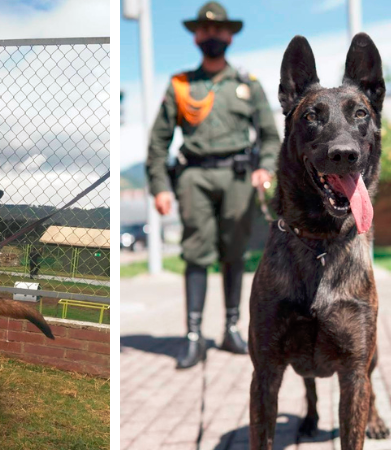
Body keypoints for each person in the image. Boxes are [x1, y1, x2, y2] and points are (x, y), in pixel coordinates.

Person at [146, 1, 280, 369]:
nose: (212, 36)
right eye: (205, 31)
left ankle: (232, 329)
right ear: (195, 36)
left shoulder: (247, 85)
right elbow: (159, 142)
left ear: (230, 35)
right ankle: (193, 336)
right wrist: (159, 186)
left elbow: (270, 136)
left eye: (218, 30)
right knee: (196, 251)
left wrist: (265, 168)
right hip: (194, 178)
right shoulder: (181, 85)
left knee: (234, 253)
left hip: (239, 176)